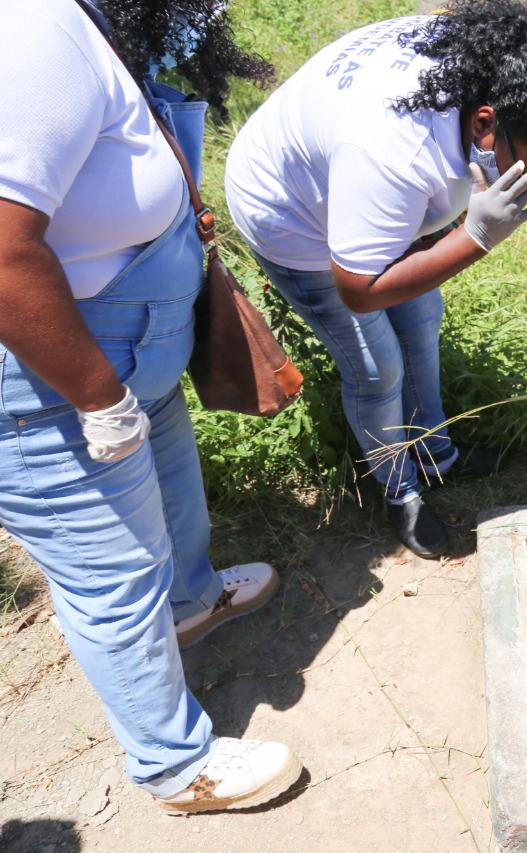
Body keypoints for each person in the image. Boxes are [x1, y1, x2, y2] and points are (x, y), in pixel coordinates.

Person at [0, 0, 300, 813]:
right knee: (111, 573)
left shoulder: (87, 24)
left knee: (173, 500)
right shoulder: (33, 31)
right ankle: (175, 766)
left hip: (127, 358)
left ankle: (192, 604)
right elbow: (1, 248)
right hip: (52, 381)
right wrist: (98, 396)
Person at [225, 0, 527, 558]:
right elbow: (359, 288)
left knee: (421, 315)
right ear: (485, 122)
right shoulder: (393, 149)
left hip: (356, 183)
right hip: (292, 215)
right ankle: (400, 492)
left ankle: (435, 454)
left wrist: (452, 227)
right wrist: (475, 238)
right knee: (376, 367)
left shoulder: (478, 65)